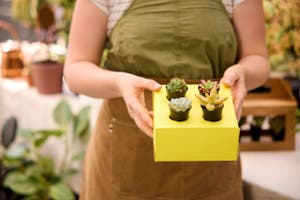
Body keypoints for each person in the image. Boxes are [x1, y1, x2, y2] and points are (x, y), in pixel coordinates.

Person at [64, 0, 270, 199]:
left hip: (211, 148)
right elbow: (76, 68)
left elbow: (257, 57)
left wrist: (243, 72)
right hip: (129, 146)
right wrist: (118, 82)